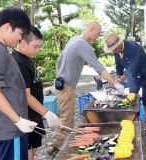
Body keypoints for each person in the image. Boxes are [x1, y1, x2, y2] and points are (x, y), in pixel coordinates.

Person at [47, 21, 124, 156]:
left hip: (61, 83)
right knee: (67, 119)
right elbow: (98, 67)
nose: (97, 37)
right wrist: (114, 83)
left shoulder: (74, 39)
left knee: (67, 117)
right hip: (66, 86)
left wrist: (59, 77)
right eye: (97, 33)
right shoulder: (83, 45)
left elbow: (59, 61)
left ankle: (56, 145)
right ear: (91, 29)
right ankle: (53, 147)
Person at [0, 7, 38, 160]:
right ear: (7, 27)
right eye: (19, 33)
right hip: (9, 129)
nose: (19, 39)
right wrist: (18, 121)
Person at [12, 26, 61, 160]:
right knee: (27, 150)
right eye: (35, 46)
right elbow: (26, 96)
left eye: (39, 46)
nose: (38, 50)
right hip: (26, 115)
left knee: (33, 148)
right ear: (22, 42)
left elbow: (30, 84)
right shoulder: (18, 62)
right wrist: (47, 113)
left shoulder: (26, 57)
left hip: (35, 113)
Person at [103, 32, 146, 130]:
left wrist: (122, 78)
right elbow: (118, 65)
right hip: (135, 76)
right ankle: (131, 121)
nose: (114, 51)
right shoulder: (116, 51)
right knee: (132, 97)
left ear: (119, 43)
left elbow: (132, 67)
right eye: (112, 49)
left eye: (115, 48)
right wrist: (117, 77)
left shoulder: (133, 47)